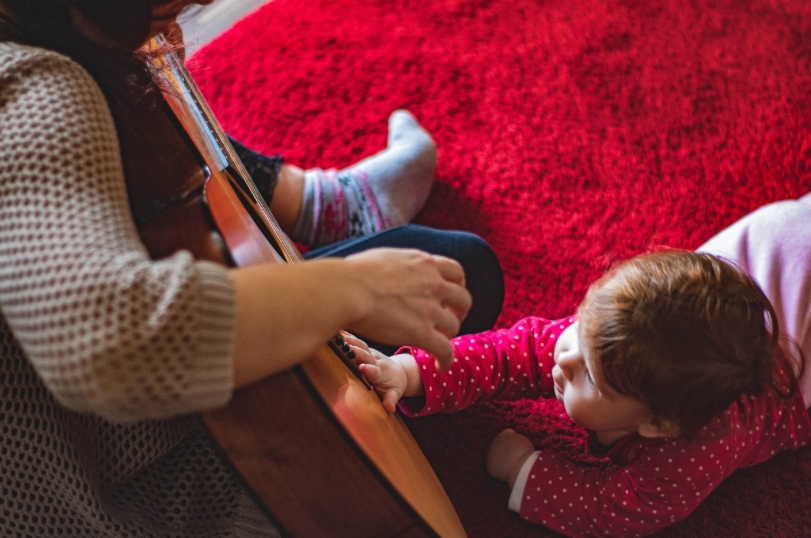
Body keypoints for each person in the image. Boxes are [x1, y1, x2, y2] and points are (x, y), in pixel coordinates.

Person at [0, 1, 505, 536]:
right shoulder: (38, 84)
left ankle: (326, 204)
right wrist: (352, 289)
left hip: (140, 408)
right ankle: (333, 207)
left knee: (451, 273)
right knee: (434, 287)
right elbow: (111, 342)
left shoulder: (56, 41)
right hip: (139, 488)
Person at [352, 194, 811, 537]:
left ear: (656, 425)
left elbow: (612, 510)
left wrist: (523, 469)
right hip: (776, 243)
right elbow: (509, 353)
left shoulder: (690, 455)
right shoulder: (604, 341)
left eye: (590, 375)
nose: (562, 355)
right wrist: (411, 373)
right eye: (581, 323)